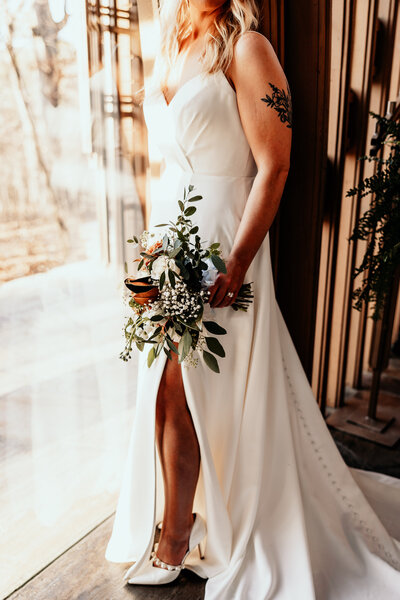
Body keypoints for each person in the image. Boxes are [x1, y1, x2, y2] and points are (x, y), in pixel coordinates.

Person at [105, 0, 400, 598]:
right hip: (167, 234)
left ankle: (178, 533)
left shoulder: (248, 47)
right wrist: (146, 245)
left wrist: (237, 261)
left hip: (220, 239)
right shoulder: (168, 44)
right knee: (166, 384)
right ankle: (184, 521)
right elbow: (159, 166)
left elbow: (275, 165)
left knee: (186, 383)